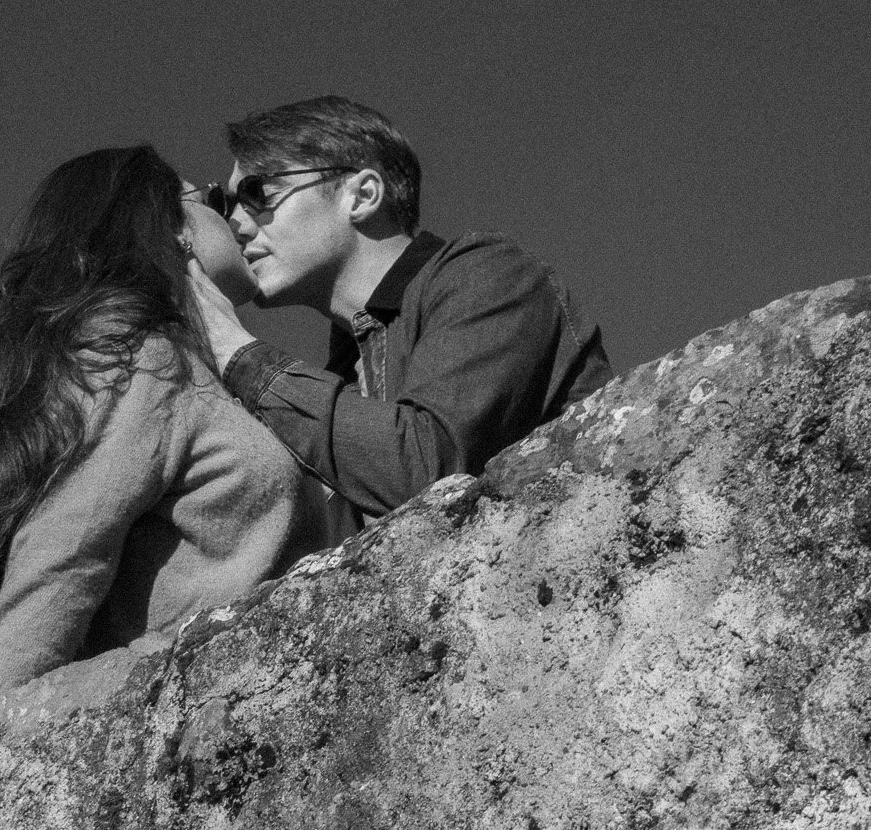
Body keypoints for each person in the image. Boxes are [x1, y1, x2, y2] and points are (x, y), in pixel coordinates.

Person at [0, 146, 342, 709]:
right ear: (170, 229)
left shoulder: (199, 370)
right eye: (212, 199)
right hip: (187, 726)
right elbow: (64, 549)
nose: (235, 216)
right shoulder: (139, 359)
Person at [185, 96, 613, 520]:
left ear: (363, 195)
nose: (236, 224)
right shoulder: (341, 376)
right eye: (226, 205)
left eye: (258, 192)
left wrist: (236, 353)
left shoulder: (489, 274)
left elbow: (429, 473)